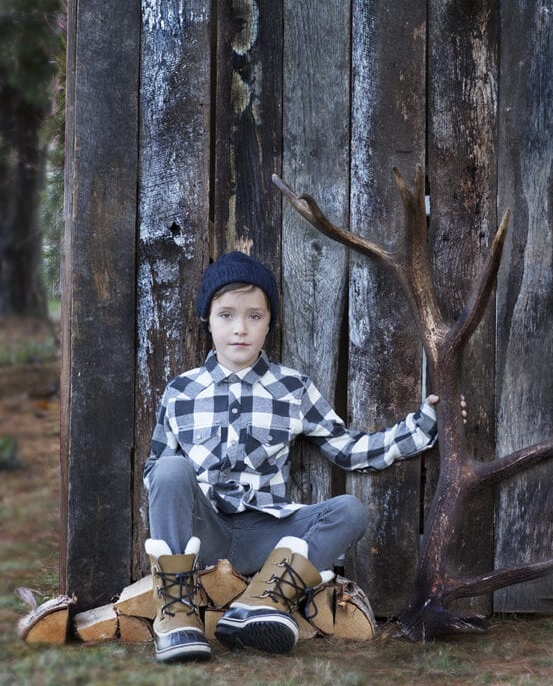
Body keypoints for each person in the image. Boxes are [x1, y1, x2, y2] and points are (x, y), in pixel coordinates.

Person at [143, 250, 442, 663]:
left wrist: (423, 426)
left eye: (254, 315)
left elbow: (348, 449)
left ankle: (260, 604)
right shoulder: (181, 391)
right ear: (207, 319)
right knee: (170, 468)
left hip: (267, 537)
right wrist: (177, 502)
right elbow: (155, 475)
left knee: (350, 510)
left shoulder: (292, 388)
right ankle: (176, 614)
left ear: (269, 322)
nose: (240, 329)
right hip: (203, 532)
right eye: (226, 315)